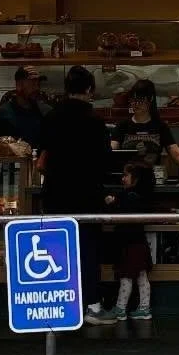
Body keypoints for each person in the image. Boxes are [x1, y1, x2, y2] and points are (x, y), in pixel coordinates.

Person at [36, 65, 113, 324]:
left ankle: (60, 306)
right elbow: (105, 161)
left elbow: (42, 158)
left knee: (57, 251)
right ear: (89, 90)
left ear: (67, 90)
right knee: (88, 249)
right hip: (87, 194)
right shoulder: (95, 122)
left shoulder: (51, 117)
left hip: (56, 193)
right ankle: (92, 306)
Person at [103, 159, 156, 322]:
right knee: (142, 277)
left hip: (129, 244)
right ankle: (144, 308)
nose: (123, 178)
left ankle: (120, 309)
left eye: (126, 175)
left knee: (126, 277)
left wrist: (112, 202)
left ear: (136, 178)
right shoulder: (143, 196)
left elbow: (120, 212)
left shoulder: (128, 197)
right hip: (140, 243)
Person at [111, 78, 179, 173]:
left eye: (141, 100)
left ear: (151, 99)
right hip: (129, 179)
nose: (136, 104)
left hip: (153, 179)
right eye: (133, 100)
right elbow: (112, 149)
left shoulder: (160, 126)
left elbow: (176, 153)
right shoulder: (122, 126)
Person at [0, 66, 48, 157]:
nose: (37, 88)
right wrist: (7, 147)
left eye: (38, 84)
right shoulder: (3, 112)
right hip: (12, 168)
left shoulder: (46, 111)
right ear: (19, 85)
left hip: (38, 167)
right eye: (32, 84)